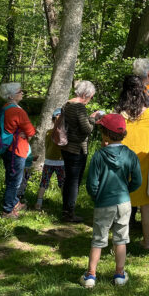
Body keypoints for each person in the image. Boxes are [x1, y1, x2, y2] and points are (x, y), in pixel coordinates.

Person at [79, 114, 142, 288]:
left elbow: (91, 183)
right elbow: (137, 180)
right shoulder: (130, 155)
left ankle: (91, 276)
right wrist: (126, 191)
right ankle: (120, 275)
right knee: (121, 239)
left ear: (105, 134)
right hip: (124, 203)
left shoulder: (99, 156)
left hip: (103, 202)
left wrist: (97, 196)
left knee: (98, 239)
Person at [116, 75, 149, 250]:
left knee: (121, 206)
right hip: (144, 166)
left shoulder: (118, 116)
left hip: (121, 166)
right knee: (146, 206)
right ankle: (146, 243)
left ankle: (119, 243)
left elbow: (107, 142)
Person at [60, 80, 98, 223]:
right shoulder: (79, 107)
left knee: (69, 179)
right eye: (91, 96)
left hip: (66, 146)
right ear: (85, 94)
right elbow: (86, 129)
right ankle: (69, 213)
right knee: (74, 181)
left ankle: (66, 210)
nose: (90, 99)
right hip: (77, 148)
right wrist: (93, 119)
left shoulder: (67, 104)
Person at [0, 83, 36, 219]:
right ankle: (7, 211)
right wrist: (25, 133)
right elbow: (31, 131)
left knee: (10, 177)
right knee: (15, 181)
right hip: (17, 150)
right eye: (20, 91)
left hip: (6, 148)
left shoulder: (5, 108)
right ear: (11, 95)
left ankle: (14, 203)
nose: (22, 93)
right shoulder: (18, 111)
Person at [33, 108, 66, 211]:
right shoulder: (65, 135)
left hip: (48, 161)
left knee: (44, 182)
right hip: (61, 162)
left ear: (52, 120)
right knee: (63, 183)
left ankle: (39, 202)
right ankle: (66, 203)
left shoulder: (48, 132)